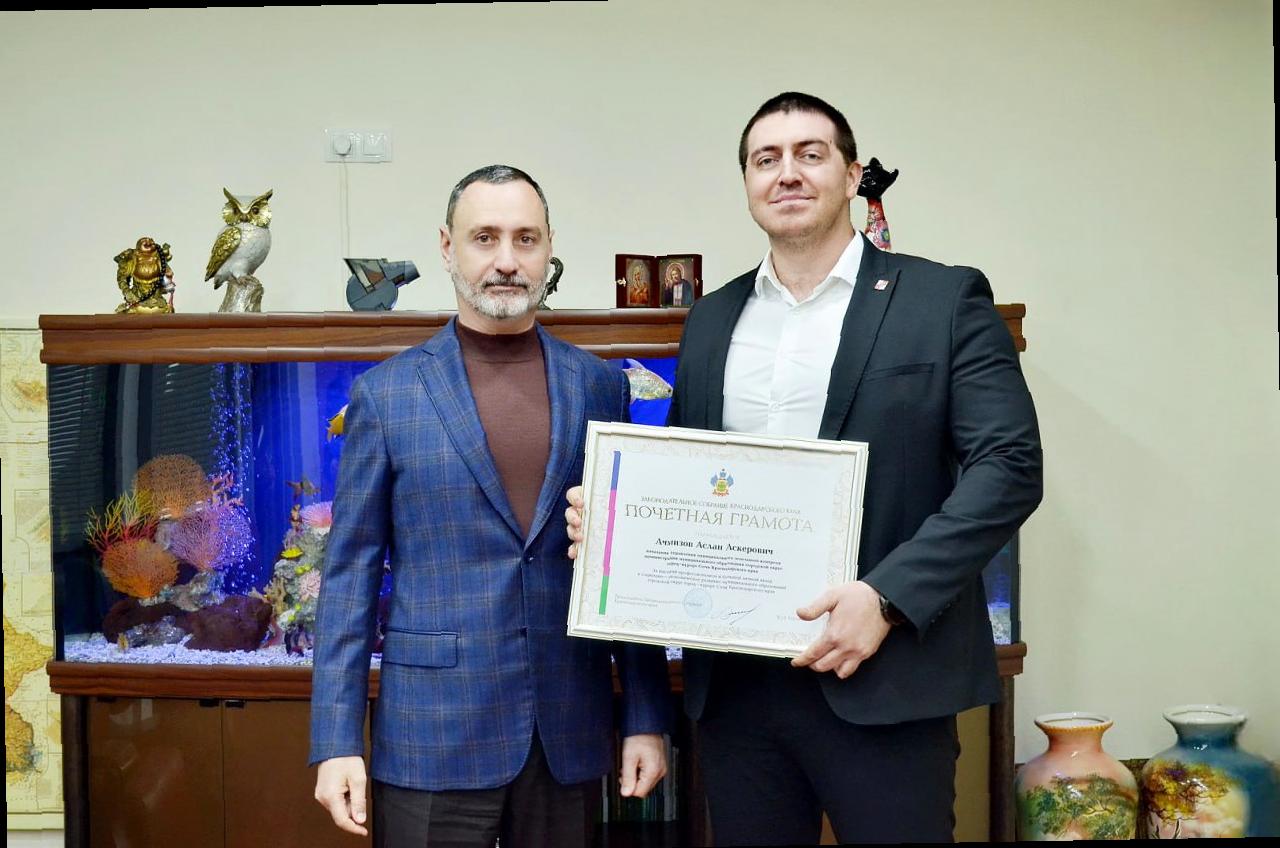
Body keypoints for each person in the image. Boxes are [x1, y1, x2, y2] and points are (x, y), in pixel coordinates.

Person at [567, 93, 1042, 844]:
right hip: (738, 693)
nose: (786, 173)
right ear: (749, 184)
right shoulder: (712, 319)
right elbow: (693, 480)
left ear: (851, 176)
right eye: (766, 159)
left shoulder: (941, 299)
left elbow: (1010, 466)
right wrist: (614, 527)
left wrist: (886, 599)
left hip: (886, 676)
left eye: (809, 154)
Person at [311, 164, 670, 848]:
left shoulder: (599, 387)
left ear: (549, 247)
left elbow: (625, 564)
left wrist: (645, 717)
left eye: (525, 238)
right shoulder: (386, 396)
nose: (507, 260)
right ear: (448, 247)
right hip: (431, 734)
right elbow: (349, 578)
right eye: (485, 238)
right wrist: (336, 740)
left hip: (567, 730)